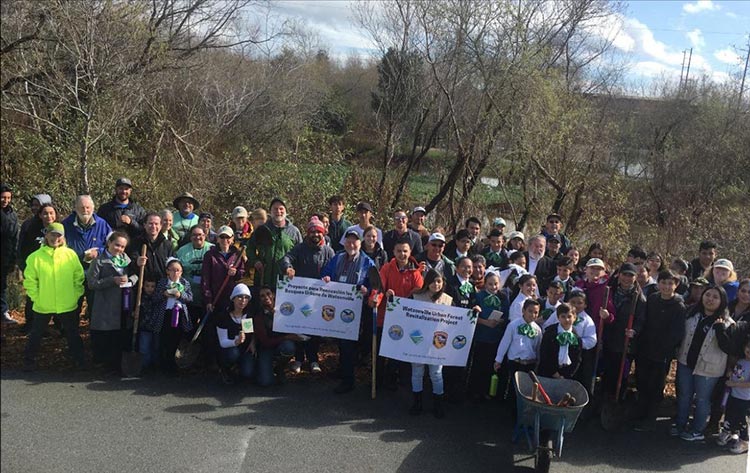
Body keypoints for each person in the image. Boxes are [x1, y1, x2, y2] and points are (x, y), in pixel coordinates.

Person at [22, 223, 85, 371]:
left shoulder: (70, 255)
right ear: (46, 235)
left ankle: (80, 361)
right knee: (36, 334)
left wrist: (75, 295)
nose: (55, 238)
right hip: (43, 304)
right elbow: (29, 280)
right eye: (52, 234)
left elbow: (79, 277)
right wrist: (36, 297)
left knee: (72, 334)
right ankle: (28, 362)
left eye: (59, 235)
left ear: (63, 237)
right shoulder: (35, 257)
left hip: (67, 302)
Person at [674, 285, 733, 441]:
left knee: (702, 399)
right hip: (686, 362)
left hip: (709, 368)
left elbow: (728, 348)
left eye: (715, 297)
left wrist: (720, 329)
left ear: (722, 301)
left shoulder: (727, 323)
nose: (710, 299)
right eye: (708, 295)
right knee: (684, 395)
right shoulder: (691, 314)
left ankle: (697, 430)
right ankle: (680, 424)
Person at [321, 229, 375, 394]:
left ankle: (348, 380)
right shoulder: (337, 258)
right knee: (341, 342)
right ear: (344, 243)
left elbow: (376, 286)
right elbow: (325, 273)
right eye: (349, 241)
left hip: (356, 310)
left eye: (355, 241)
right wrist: (326, 278)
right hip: (336, 306)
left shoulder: (368, 262)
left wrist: (368, 290)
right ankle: (343, 371)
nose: (351, 244)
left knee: (348, 344)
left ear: (360, 243)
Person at [630, 270, 685, 431]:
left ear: (676, 285)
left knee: (655, 386)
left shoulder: (679, 306)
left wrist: (665, 349)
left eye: (670, 283)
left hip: (662, 354)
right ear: (658, 283)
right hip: (645, 350)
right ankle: (639, 413)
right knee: (642, 382)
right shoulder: (653, 299)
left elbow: (677, 333)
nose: (667, 287)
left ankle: (650, 418)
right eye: (664, 282)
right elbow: (644, 321)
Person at [281, 216, 335, 374]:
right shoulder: (300, 248)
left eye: (318, 232)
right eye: (312, 232)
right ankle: (298, 359)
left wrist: (330, 278)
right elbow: (286, 258)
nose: (315, 235)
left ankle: (313, 360)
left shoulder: (328, 251)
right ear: (308, 233)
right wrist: (288, 268)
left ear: (323, 233)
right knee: (299, 328)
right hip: (300, 296)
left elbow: (334, 268)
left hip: (319, 298)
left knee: (314, 331)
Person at [87, 231, 138, 374]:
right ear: (109, 243)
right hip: (106, 305)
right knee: (107, 337)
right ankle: (105, 366)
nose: (119, 249)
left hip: (124, 303)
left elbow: (136, 276)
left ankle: (118, 366)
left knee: (120, 336)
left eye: (122, 247)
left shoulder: (126, 260)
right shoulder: (99, 261)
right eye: (117, 245)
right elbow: (91, 283)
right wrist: (111, 280)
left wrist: (130, 281)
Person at [376, 238, 424, 390]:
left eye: (405, 251)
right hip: (385, 317)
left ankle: (393, 381)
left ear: (410, 253)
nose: (402, 254)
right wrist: (377, 298)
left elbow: (419, 293)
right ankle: (377, 381)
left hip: (405, 319)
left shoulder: (415, 272)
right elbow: (379, 287)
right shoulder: (386, 268)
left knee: (397, 353)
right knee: (381, 352)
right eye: (399, 251)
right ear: (393, 252)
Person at [410, 269, 453, 417]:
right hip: (417, 340)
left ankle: (438, 406)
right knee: (417, 372)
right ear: (427, 282)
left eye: (439, 281)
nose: (436, 284)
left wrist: (474, 311)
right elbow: (404, 315)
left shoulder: (448, 300)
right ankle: (417, 403)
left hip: (437, 343)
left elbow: (457, 320)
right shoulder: (416, 296)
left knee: (436, 373)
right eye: (433, 281)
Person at [602, 263, 646, 401]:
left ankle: (619, 399)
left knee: (622, 373)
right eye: (624, 274)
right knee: (607, 371)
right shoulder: (610, 291)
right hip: (609, 338)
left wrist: (635, 331)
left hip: (625, 343)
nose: (627, 278)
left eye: (631, 275)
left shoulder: (639, 298)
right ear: (619, 275)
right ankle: (604, 398)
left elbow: (641, 320)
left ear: (635, 277)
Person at [18, 202, 58, 334]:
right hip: (35, 269)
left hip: (54, 271)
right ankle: (31, 325)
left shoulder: (60, 229)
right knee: (32, 297)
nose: (48, 216)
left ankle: (56, 325)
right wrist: (23, 266)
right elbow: (23, 248)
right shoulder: (31, 228)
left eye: (51, 213)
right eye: (45, 213)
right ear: (40, 215)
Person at [252, 286, 303, 386]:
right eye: (262, 296)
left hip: (281, 346)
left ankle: (280, 368)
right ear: (259, 299)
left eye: (268, 294)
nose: (266, 297)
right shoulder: (259, 316)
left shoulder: (284, 308)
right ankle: (262, 367)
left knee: (289, 347)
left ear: (273, 295)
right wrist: (286, 337)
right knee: (265, 382)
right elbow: (265, 342)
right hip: (266, 348)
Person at [493, 299, 542, 403]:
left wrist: (538, 362)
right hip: (515, 362)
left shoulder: (538, 330)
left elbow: (537, 347)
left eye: (536, 312)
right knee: (512, 387)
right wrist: (499, 360)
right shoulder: (513, 325)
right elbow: (505, 342)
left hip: (529, 363)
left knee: (525, 389)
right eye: (530, 311)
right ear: (523, 311)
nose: (533, 314)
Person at [246, 197, 302, 287]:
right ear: (270, 211)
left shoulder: (294, 232)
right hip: (263, 279)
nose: (278, 211)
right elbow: (250, 248)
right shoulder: (262, 229)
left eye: (281, 209)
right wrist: (255, 261)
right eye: (275, 209)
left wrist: (291, 269)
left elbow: (300, 254)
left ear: (286, 211)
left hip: (285, 281)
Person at [470, 272, 509, 401]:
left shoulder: (503, 297)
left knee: (490, 366)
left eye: (496, 284)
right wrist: (486, 322)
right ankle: (475, 391)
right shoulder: (479, 296)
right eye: (490, 284)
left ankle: (487, 391)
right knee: (478, 365)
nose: (493, 287)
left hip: (496, 337)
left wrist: (499, 321)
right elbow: (472, 316)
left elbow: (506, 316)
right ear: (485, 284)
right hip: (481, 335)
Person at [153, 258, 194, 375]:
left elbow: (190, 298)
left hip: (179, 315)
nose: (175, 273)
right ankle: (163, 364)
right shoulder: (163, 282)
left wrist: (180, 295)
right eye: (172, 270)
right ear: (167, 271)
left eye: (178, 270)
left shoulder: (184, 283)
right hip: (166, 314)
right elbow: (155, 298)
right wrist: (163, 295)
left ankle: (173, 364)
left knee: (175, 341)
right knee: (164, 340)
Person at [215, 283, 255, 385]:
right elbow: (222, 342)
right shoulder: (224, 316)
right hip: (229, 350)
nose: (243, 300)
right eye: (240, 297)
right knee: (233, 353)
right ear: (233, 298)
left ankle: (238, 367)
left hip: (244, 349)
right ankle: (225, 369)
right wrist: (236, 342)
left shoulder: (248, 315)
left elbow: (249, 334)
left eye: (246, 298)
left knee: (247, 373)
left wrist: (252, 342)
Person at [716, 337, 750, 454]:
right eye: (748, 347)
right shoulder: (741, 361)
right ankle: (728, 432)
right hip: (733, 395)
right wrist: (730, 372)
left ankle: (744, 440)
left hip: (745, 398)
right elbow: (737, 373)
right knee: (729, 414)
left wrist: (735, 383)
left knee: (741, 419)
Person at [201, 225, 246, 315]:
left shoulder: (237, 254)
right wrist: (208, 300)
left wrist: (235, 273)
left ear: (232, 239)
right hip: (215, 297)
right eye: (222, 237)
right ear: (217, 239)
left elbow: (242, 273)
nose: (225, 240)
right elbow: (205, 279)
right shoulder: (210, 255)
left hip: (232, 298)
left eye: (227, 237)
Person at [176, 225, 214, 322]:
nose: (197, 237)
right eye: (194, 235)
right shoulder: (182, 251)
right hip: (188, 295)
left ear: (205, 235)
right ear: (190, 236)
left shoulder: (212, 249)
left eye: (200, 235)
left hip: (208, 296)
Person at [62, 195, 112, 269]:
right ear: (76, 209)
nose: (85, 210)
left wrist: (98, 252)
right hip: (72, 268)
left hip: (97, 269)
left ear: (93, 208)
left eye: (87, 207)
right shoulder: (66, 224)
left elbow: (113, 245)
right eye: (82, 207)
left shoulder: (102, 224)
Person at [537, 302, 583, 379]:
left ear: (574, 317)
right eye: (563, 317)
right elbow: (544, 354)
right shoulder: (550, 333)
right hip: (547, 373)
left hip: (566, 375)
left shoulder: (576, 338)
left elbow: (577, 359)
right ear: (558, 318)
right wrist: (554, 373)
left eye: (569, 316)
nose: (566, 319)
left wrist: (565, 375)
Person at [129, 212, 173, 279]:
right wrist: (136, 263)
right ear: (144, 225)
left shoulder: (167, 245)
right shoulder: (135, 243)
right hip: (142, 285)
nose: (153, 226)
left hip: (161, 285)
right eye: (150, 223)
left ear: (161, 226)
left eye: (156, 224)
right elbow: (129, 265)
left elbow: (172, 264)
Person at [1, 183, 19, 324]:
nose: (5, 200)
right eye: (3, 197)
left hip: (5, 256)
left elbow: (14, 237)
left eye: (8, 197)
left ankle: (3, 312)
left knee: (2, 285)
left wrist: (13, 258)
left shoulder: (12, 214)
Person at [136, 273, 160, 369]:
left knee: (156, 347)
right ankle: (144, 366)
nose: (150, 289)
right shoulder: (140, 297)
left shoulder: (158, 298)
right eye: (147, 286)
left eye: (152, 286)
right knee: (144, 348)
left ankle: (155, 365)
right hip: (144, 327)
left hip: (156, 326)